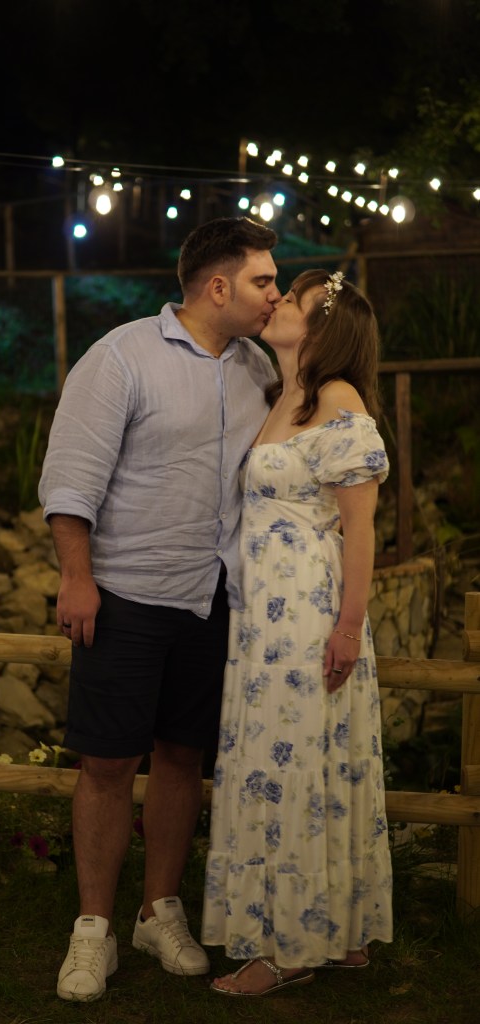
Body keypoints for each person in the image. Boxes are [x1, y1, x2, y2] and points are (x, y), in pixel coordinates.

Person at [38, 216, 282, 1002]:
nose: (273, 295)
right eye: (262, 281)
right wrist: (77, 578)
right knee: (107, 762)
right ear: (217, 286)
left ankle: (158, 912)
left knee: (183, 757)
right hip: (126, 594)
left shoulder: (257, 367)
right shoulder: (120, 357)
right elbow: (69, 478)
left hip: (215, 598)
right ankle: (92, 931)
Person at [201, 268, 393, 996]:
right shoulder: (286, 395)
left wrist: (348, 627)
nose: (278, 300)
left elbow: (360, 529)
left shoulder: (339, 400)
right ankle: (334, 929)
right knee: (296, 760)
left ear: (323, 329)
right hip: (266, 615)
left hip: (309, 613)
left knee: (292, 766)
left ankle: (287, 948)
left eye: (296, 299)